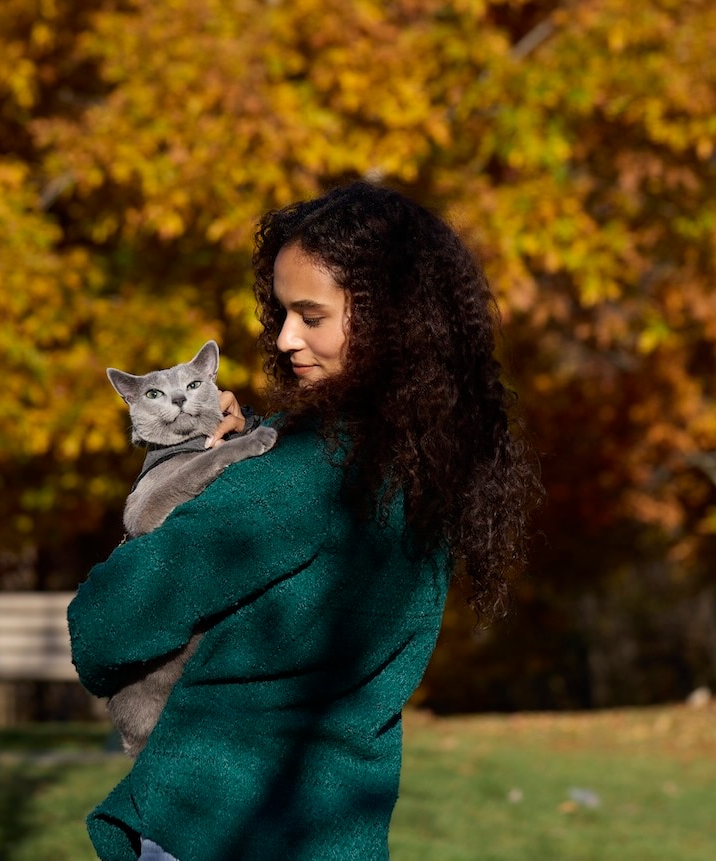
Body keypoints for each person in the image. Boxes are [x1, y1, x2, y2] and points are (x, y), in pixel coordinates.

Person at [67, 180, 539, 861]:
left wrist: (188, 487)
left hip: (220, 822)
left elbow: (104, 625)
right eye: (282, 312)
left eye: (310, 316)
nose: (285, 337)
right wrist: (241, 449)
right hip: (338, 826)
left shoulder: (301, 478)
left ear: (390, 318)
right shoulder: (425, 461)